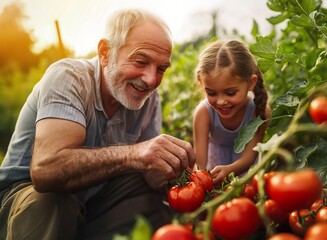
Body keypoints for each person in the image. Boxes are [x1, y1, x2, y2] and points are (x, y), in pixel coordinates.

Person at [0, 8, 195, 239]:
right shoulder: (69, 78)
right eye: (141, 61)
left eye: (161, 68)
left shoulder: (149, 98)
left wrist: (183, 173)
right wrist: (134, 154)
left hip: (93, 199)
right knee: (53, 201)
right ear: (105, 52)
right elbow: (46, 172)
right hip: (23, 203)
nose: (151, 80)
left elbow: (150, 173)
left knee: (148, 193)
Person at [193, 39, 271, 184]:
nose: (221, 101)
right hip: (214, 168)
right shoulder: (203, 113)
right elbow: (199, 163)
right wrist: (200, 181)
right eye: (212, 93)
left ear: (251, 83)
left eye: (230, 93)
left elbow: (249, 158)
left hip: (245, 173)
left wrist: (230, 170)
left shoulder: (259, 111)